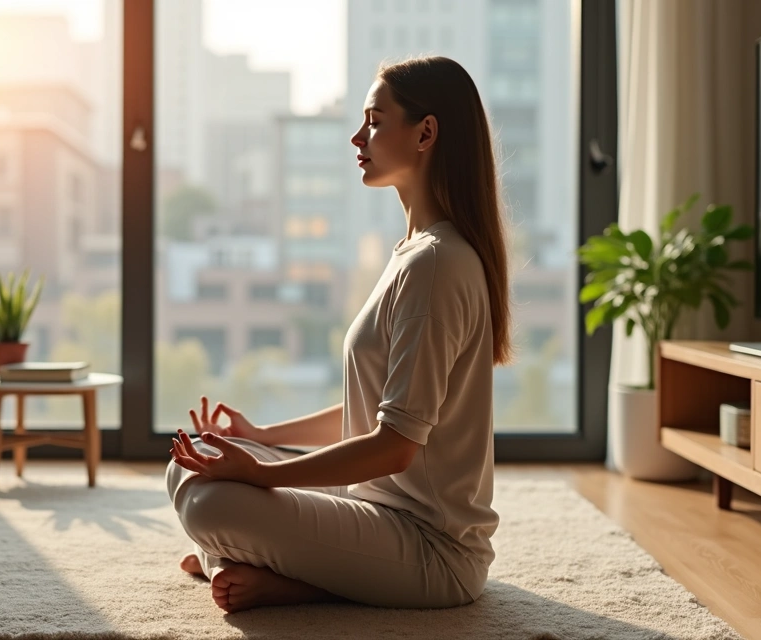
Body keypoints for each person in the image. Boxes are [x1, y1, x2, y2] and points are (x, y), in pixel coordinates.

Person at [164, 55, 513, 614]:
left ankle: (287, 577)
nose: (358, 136)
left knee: (210, 506)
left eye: (374, 120)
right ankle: (259, 562)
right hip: (373, 508)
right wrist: (264, 435)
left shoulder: (437, 265)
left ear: (426, 132)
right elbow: (377, 409)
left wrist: (262, 472)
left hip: (433, 552)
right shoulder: (414, 253)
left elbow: (396, 446)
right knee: (194, 460)